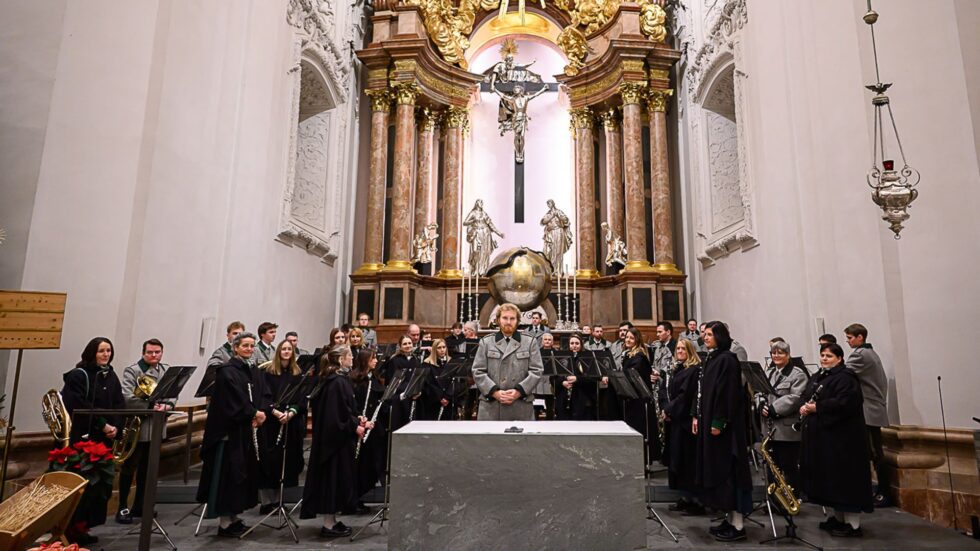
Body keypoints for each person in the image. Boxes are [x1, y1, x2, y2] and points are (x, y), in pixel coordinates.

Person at [196, 332, 268, 537]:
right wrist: (253, 413)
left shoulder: (249, 370)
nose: (249, 349)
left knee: (240, 477)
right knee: (227, 477)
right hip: (227, 435)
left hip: (242, 431)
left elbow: (256, 394)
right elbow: (233, 400)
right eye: (245, 345)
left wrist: (256, 412)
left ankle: (234, 517)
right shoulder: (227, 371)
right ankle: (225, 522)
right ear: (235, 348)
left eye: (252, 346)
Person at [799, 343, 873, 537]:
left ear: (839, 358)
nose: (824, 359)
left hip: (844, 442)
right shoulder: (820, 376)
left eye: (829, 356)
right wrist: (805, 406)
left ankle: (853, 525)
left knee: (845, 482)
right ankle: (838, 518)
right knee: (831, 481)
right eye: (822, 355)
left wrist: (817, 407)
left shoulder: (846, 378)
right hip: (826, 441)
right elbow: (807, 395)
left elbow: (845, 403)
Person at [301, 345, 372, 537]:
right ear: (340, 360)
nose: (352, 359)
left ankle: (331, 521)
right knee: (331, 482)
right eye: (349, 356)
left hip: (336, 440)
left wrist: (358, 419)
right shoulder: (336, 382)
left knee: (336, 482)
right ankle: (328, 525)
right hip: (333, 443)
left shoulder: (336, 380)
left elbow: (345, 410)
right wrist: (353, 425)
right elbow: (335, 415)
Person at [61, 337, 126, 545]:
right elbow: (78, 405)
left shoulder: (111, 375)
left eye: (108, 350)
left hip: (105, 440)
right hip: (83, 440)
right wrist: (102, 424)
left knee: (99, 488)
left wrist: (116, 426)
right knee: (82, 487)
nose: (106, 354)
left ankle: (84, 528)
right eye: (101, 351)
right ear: (92, 353)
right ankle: (71, 529)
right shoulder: (78, 376)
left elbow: (119, 403)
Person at [694, 321, 752, 542]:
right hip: (711, 424)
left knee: (729, 473)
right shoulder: (713, 358)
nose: (705, 337)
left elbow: (726, 394)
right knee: (719, 473)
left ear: (720, 336)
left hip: (725, 430)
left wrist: (718, 422)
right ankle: (728, 519)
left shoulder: (727, 360)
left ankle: (738, 526)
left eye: (710, 334)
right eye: (705, 334)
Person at [117, 339, 174, 524]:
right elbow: (126, 397)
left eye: (157, 352)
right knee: (130, 467)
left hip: (157, 426)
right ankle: (122, 507)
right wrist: (150, 404)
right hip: (138, 427)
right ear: (143, 352)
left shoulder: (165, 370)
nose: (154, 355)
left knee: (148, 469)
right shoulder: (133, 370)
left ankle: (141, 506)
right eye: (150, 352)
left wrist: (168, 405)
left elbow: (173, 392)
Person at [256, 340, 307, 514]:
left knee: (284, 462)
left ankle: (278, 501)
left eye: (289, 349)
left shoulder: (297, 374)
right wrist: (276, 412)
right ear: (278, 352)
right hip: (271, 423)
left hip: (289, 423)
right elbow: (263, 397)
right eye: (283, 349)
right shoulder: (267, 372)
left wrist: (291, 412)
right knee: (268, 462)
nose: (286, 351)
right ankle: (265, 502)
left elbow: (302, 399)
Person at [843, 323, 891, 507]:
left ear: (860, 337)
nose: (848, 341)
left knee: (873, 453)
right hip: (874, 408)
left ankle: (883, 492)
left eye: (850, 338)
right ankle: (879, 490)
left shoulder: (860, 354)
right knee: (874, 452)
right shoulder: (872, 353)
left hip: (869, 410)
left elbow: (844, 373)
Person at [472, 303, 543, 420]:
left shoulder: (530, 342)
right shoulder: (486, 342)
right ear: (498, 320)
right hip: (491, 406)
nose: (508, 322)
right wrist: (494, 392)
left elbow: (537, 371)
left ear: (518, 321)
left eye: (512, 318)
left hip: (520, 405)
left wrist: (519, 392)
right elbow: (478, 371)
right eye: (505, 318)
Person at [759, 340, 807, 492]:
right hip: (770, 428)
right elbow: (759, 391)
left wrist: (774, 408)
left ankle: (792, 499)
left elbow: (795, 397)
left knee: (788, 466)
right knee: (772, 467)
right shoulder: (769, 372)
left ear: (788, 355)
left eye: (780, 353)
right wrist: (761, 405)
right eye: (774, 353)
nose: (776, 356)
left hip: (787, 430)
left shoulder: (797, 374)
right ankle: (775, 499)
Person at [664, 338, 703, 515]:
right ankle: (685, 497)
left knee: (688, 460)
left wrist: (668, 409)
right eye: (678, 348)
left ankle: (695, 501)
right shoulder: (680, 368)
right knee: (678, 459)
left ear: (690, 351)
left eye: (683, 348)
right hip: (677, 419)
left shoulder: (693, 370)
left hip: (687, 421)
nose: (679, 351)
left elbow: (685, 396)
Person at [351, 348, 385, 511]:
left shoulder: (374, 378)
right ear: (365, 360)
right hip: (361, 427)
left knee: (371, 463)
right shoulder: (357, 380)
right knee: (359, 464)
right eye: (373, 358)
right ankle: (352, 500)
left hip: (373, 427)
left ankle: (359, 497)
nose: (376, 361)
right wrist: (361, 420)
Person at [621, 328, 658, 462]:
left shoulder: (640, 357)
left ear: (637, 340)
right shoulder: (628, 355)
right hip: (632, 397)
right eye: (626, 337)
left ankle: (641, 459)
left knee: (639, 428)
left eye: (631, 338)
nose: (628, 340)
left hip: (640, 400)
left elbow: (634, 375)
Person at [384, 335, 425, 430]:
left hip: (415, 397)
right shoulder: (394, 361)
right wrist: (408, 391)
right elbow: (392, 381)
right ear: (400, 346)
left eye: (409, 343)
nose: (408, 345)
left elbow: (420, 378)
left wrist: (418, 390)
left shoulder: (416, 360)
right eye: (405, 344)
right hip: (400, 398)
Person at [554, 334, 597, 420]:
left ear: (581, 345)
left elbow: (593, 379)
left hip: (582, 399)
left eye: (577, 343)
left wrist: (577, 379)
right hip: (563, 399)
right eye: (572, 343)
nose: (574, 346)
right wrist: (563, 382)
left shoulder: (587, 357)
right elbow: (553, 377)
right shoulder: (561, 357)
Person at [422, 339, 453, 420]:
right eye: (439, 348)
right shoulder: (427, 364)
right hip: (433, 401)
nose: (442, 350)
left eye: (444, 347)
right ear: (434, 349)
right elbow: (428, 384)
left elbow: (453, 381)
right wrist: (440, 398)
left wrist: (447, 397)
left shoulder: (451, 362)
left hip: (448, 400)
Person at [534, 332, 557, 419]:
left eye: (549, 340)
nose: (547, 341)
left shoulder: (556, 352)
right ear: (542, 341)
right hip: (538, 383)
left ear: (552, 342)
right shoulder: (537, 352)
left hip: (550, 383)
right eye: (545, 339)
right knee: (536, 407)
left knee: (550, 407)